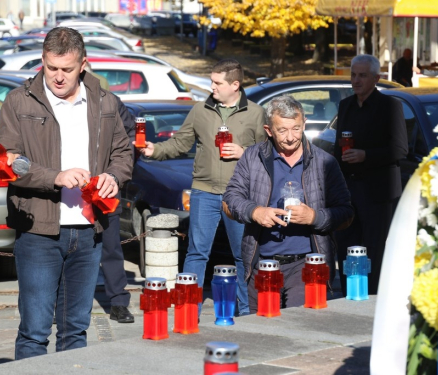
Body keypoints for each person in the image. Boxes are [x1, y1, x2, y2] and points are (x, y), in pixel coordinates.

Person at [0, 27, 133, 360]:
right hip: (39, 233)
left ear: (83, 64)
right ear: (43, 61)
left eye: (67, 69)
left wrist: (113, 177)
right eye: (51, 68)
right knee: (34, 330)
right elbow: (9, 161)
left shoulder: (105, 101)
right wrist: (54, 176)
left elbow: (123, 152)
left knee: (76, 329)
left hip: (90, 232)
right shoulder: (18, 101)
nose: (58, 77)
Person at [138, 59, 267, 316]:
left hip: (239, 195)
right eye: (211, 81)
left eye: (217, 83)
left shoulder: (255, 113)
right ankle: (188, 309)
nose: (211, 87)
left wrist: (245, 152)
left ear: (235, 85)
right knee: (197, 253)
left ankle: (246, 314)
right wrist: (154, 150)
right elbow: (179, 144)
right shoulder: (200, 110)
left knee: (243, 255)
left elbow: (268, 154)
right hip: (204, 191)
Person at [223, 95, 354, 313]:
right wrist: (255, 212)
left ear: (304, 124)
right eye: (282, 130)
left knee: (300, 328)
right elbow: (231, 198)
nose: (291, 137)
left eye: (296, 128)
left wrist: (314, 217)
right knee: (263, 333)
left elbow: (346, 213)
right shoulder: (252, 157)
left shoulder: (325, 162)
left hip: (307, 265)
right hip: (262, 263)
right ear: (268, 130)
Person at [334, 54, 408, 296]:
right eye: (353, 75)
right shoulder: (345, 105)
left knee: (373, 252)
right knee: (346, 248)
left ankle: (372, 302)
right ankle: (349, 298)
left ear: (376, 78)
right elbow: (338, 146)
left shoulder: (390, 106)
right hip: (349, 191)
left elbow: (400, 149)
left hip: (378, 193)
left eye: (362, 76)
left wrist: (366, 155)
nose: (356, 80)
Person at [85, 60, 136, 323]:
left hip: (104, 188)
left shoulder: (111, 102)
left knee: (112, 248)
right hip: (68, 187)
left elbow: (126, 141)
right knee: (61, 249)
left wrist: (114, 173)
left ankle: (118, 303)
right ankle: (61, 304)